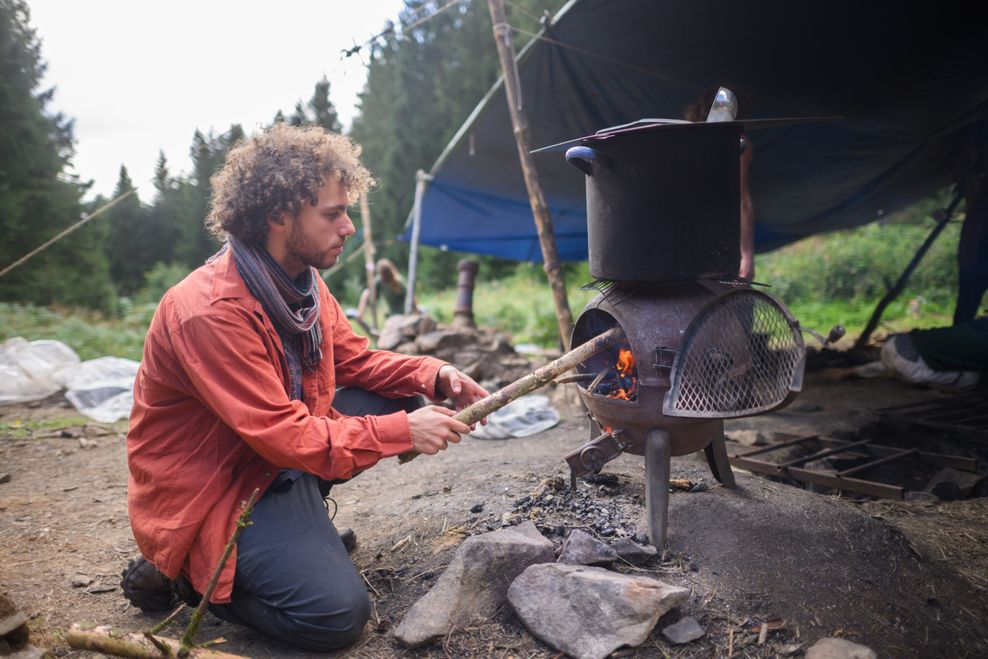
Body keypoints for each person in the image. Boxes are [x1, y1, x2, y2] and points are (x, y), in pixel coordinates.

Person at [120, 123, 489, 652]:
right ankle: (191, 577)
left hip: (272, 463)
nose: (348, 228)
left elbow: (355, 361)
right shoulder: (209, 312)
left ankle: (291, 533)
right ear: (278, 215)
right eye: (333, 214)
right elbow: (279, 433)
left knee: (404, 398)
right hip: (217, 487)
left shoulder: (302, 285)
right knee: (336, 616)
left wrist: (434, 375)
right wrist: (402, 431)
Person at [684, 87, 756, 279]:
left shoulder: (737, 143)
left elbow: (743, 201)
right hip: (696, 241)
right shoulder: (685, 141)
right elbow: (743, 202)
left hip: (718, 242)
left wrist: (747, 256)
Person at [353, 257, 414, 323]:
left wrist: (414, 312)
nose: (382, 276)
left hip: (404, 313)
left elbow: (411, 296)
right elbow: (367, 293)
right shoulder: (380, 281)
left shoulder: (399, 281)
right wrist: (360, 312)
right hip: (392, 314)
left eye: (383, 274)